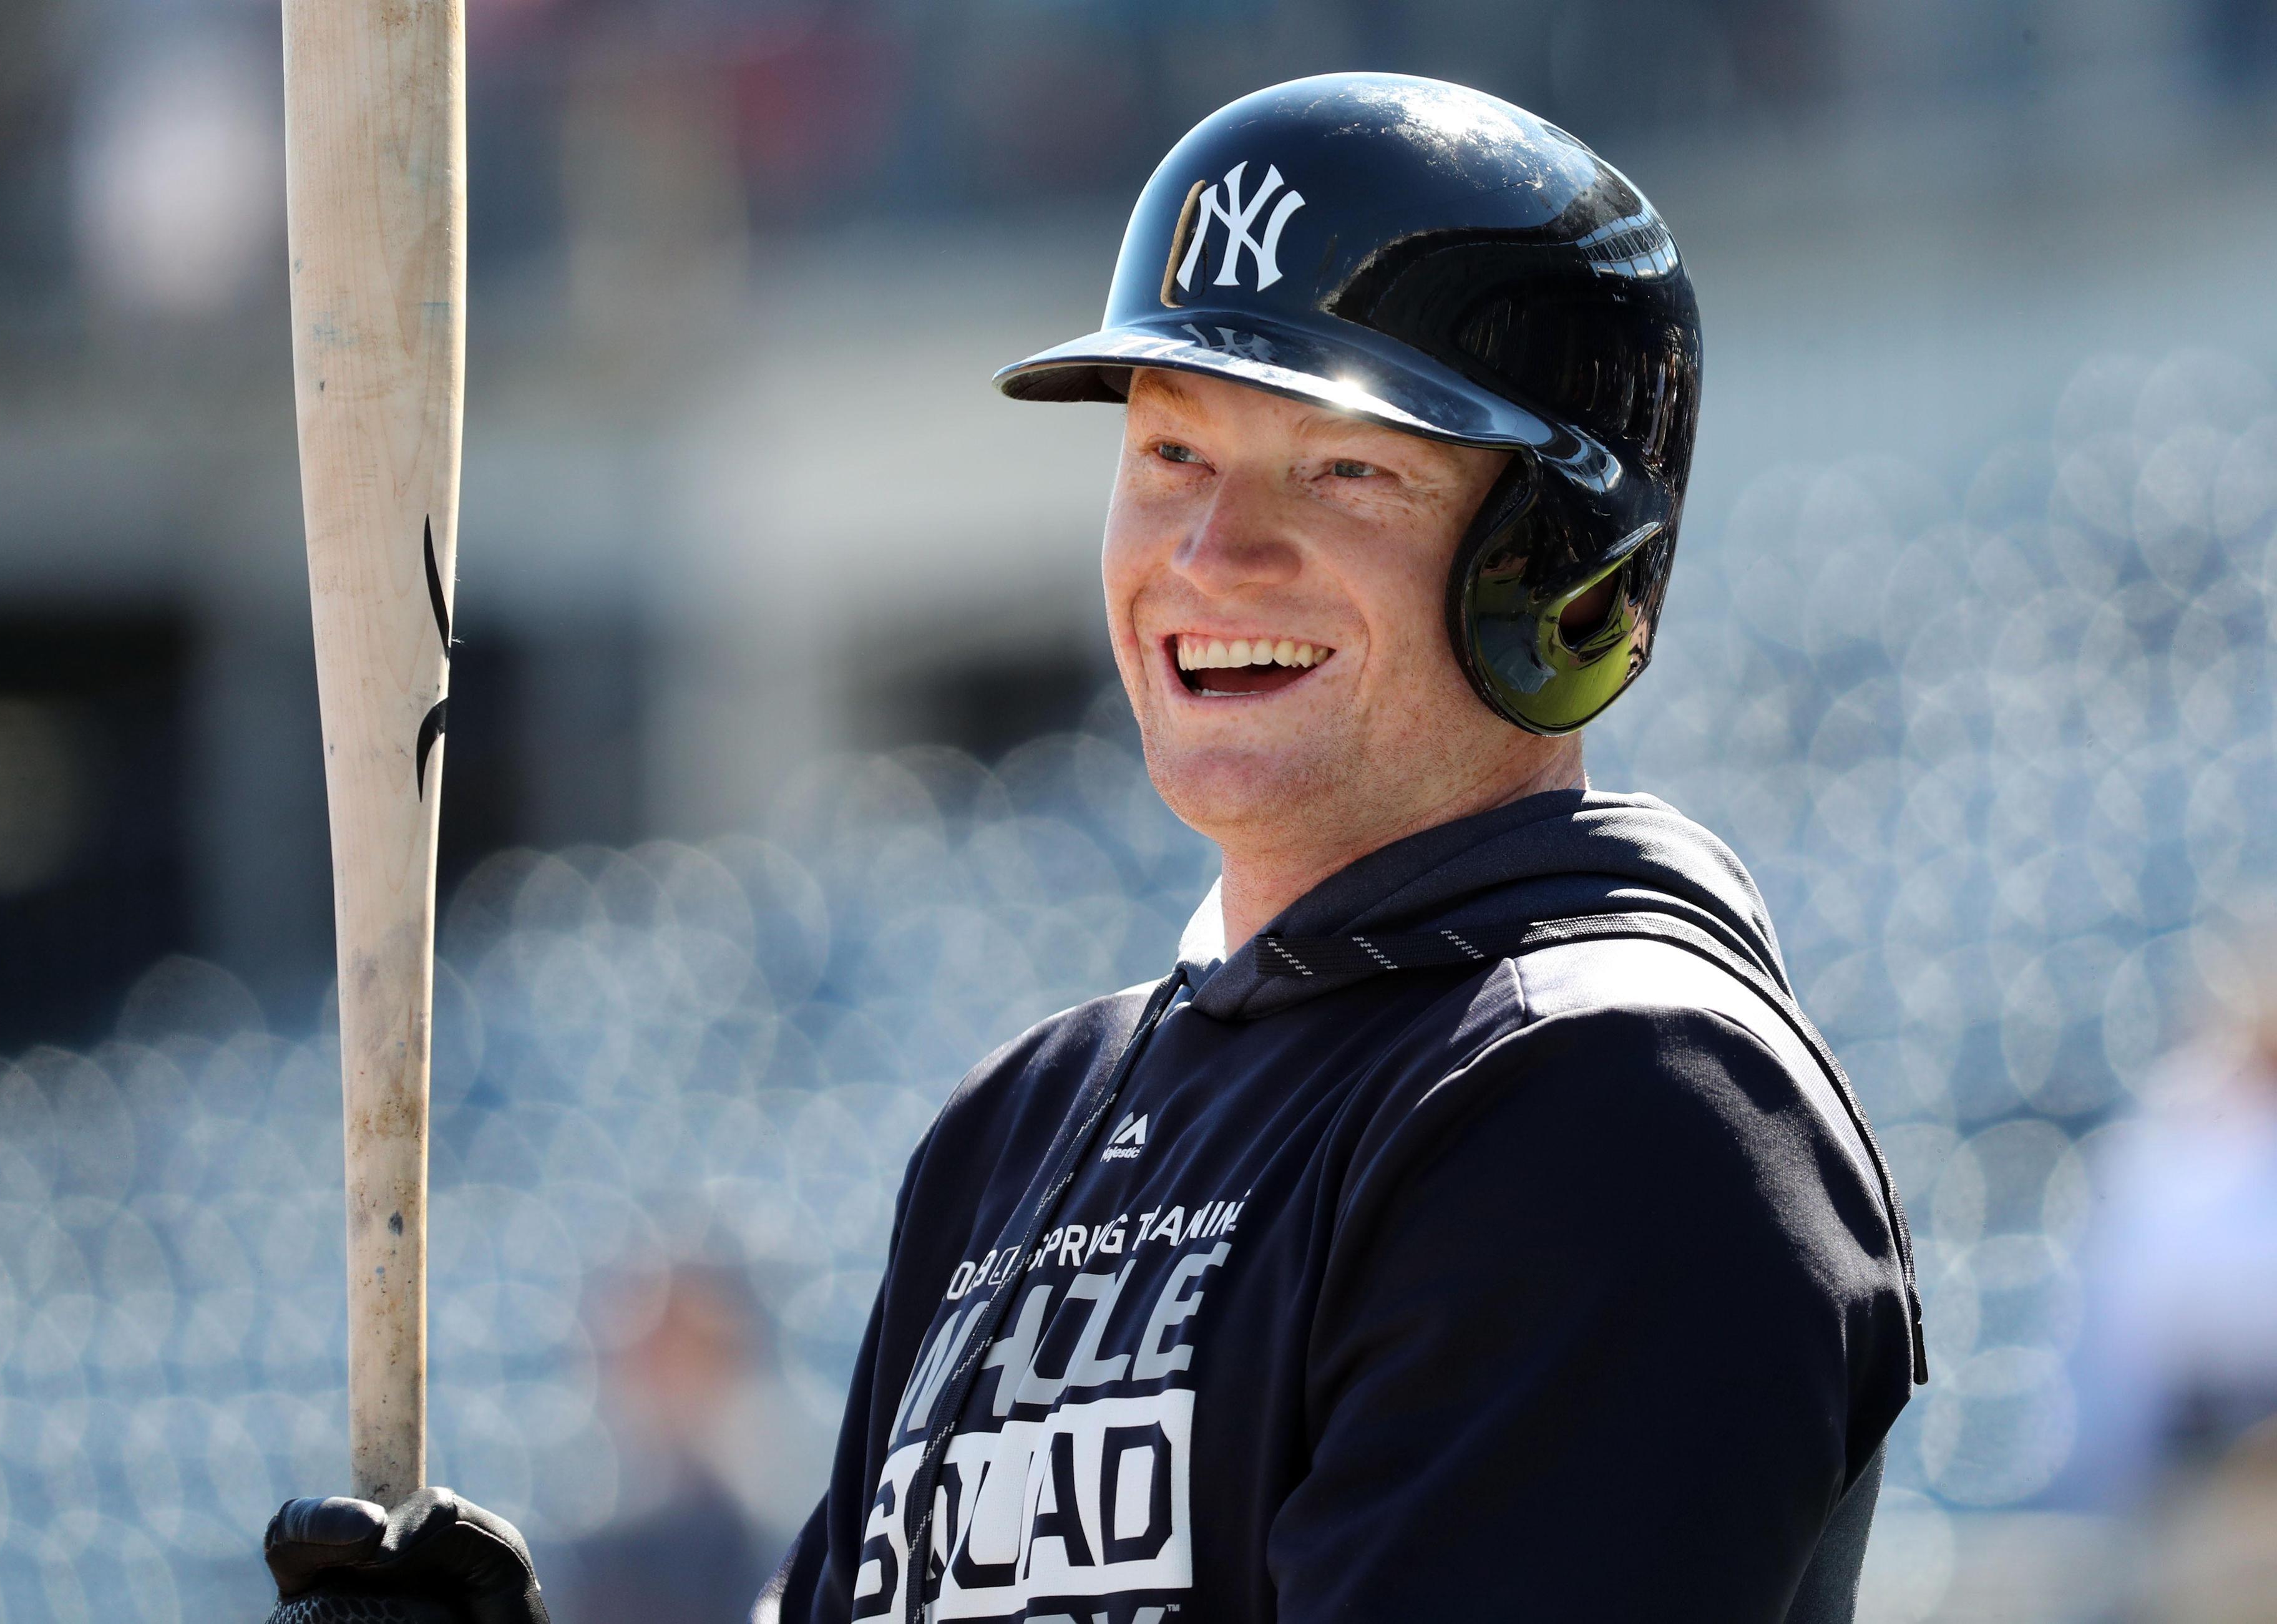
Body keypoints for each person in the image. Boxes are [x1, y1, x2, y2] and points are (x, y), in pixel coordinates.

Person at [262, 72, 1923, 1624]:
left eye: (1344, 468)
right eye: (1171, 451)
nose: (1214, 551)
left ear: (1559, 566)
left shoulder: (1619, 1101)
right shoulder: (1023, 1121)